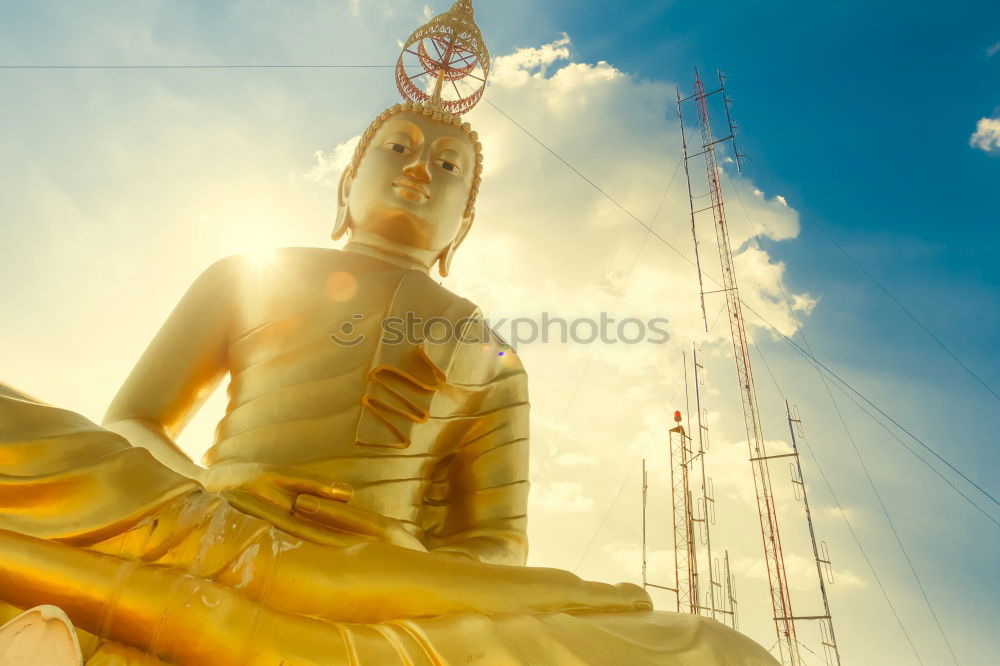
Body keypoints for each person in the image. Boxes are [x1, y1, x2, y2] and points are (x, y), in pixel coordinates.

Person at [0, 2, 779, 663]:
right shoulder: (251, 272)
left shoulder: (493, 352)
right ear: (347, 183)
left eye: (448, 168)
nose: (418, 170)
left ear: (463, 221)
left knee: (712, 650)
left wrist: (394, 558)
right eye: (398, 149)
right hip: (196, 519)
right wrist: (210, 503)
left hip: (369, 571)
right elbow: (133, 421)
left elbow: (494, 548)